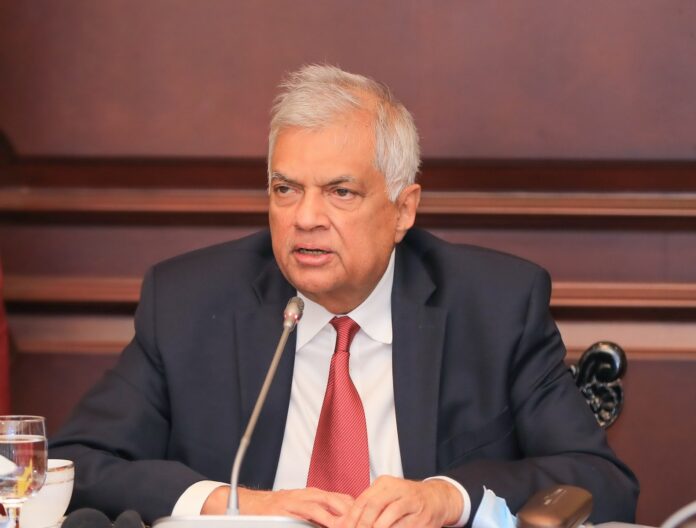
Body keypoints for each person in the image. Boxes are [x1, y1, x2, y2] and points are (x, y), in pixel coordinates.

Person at [50, 64, 638, 527]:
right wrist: (233, 503)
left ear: (403, 209)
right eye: (286, 189)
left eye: (340, 192)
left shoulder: (495, 306)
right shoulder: (189, 302)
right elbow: (76, 467)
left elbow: (602, 483)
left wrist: (449, 498)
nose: (305, 217)